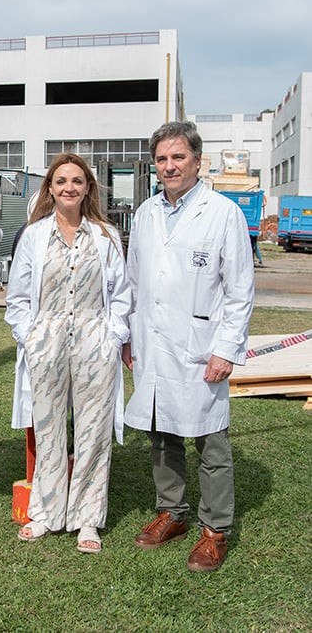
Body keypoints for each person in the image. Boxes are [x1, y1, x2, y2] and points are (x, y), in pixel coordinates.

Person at [124, 121, 254, 573]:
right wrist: (129, 335)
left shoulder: (223, 214)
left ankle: (215, 531)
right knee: (161, 434)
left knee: (210, 441)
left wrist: (226, 349)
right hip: (153, 343)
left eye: (178, 157)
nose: (169, 166)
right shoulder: (145, 213)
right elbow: (134, 282)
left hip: (201, 347)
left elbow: (239, 291)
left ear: (198, 161)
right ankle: (172, 512)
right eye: (161, 159)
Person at [4, 153, 130, 554]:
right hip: (48, 340)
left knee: (94, 430)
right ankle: (46, 512)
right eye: (61, 181)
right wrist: (31, 336)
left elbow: (122, 294)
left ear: (88, 187)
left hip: (95, 339)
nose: (69, 187)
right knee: (48, 427)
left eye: (77, 180)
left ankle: (87, 517)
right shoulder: (35, 235)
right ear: (51, 189)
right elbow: (18, 296)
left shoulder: (106, 236)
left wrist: (113, 336)